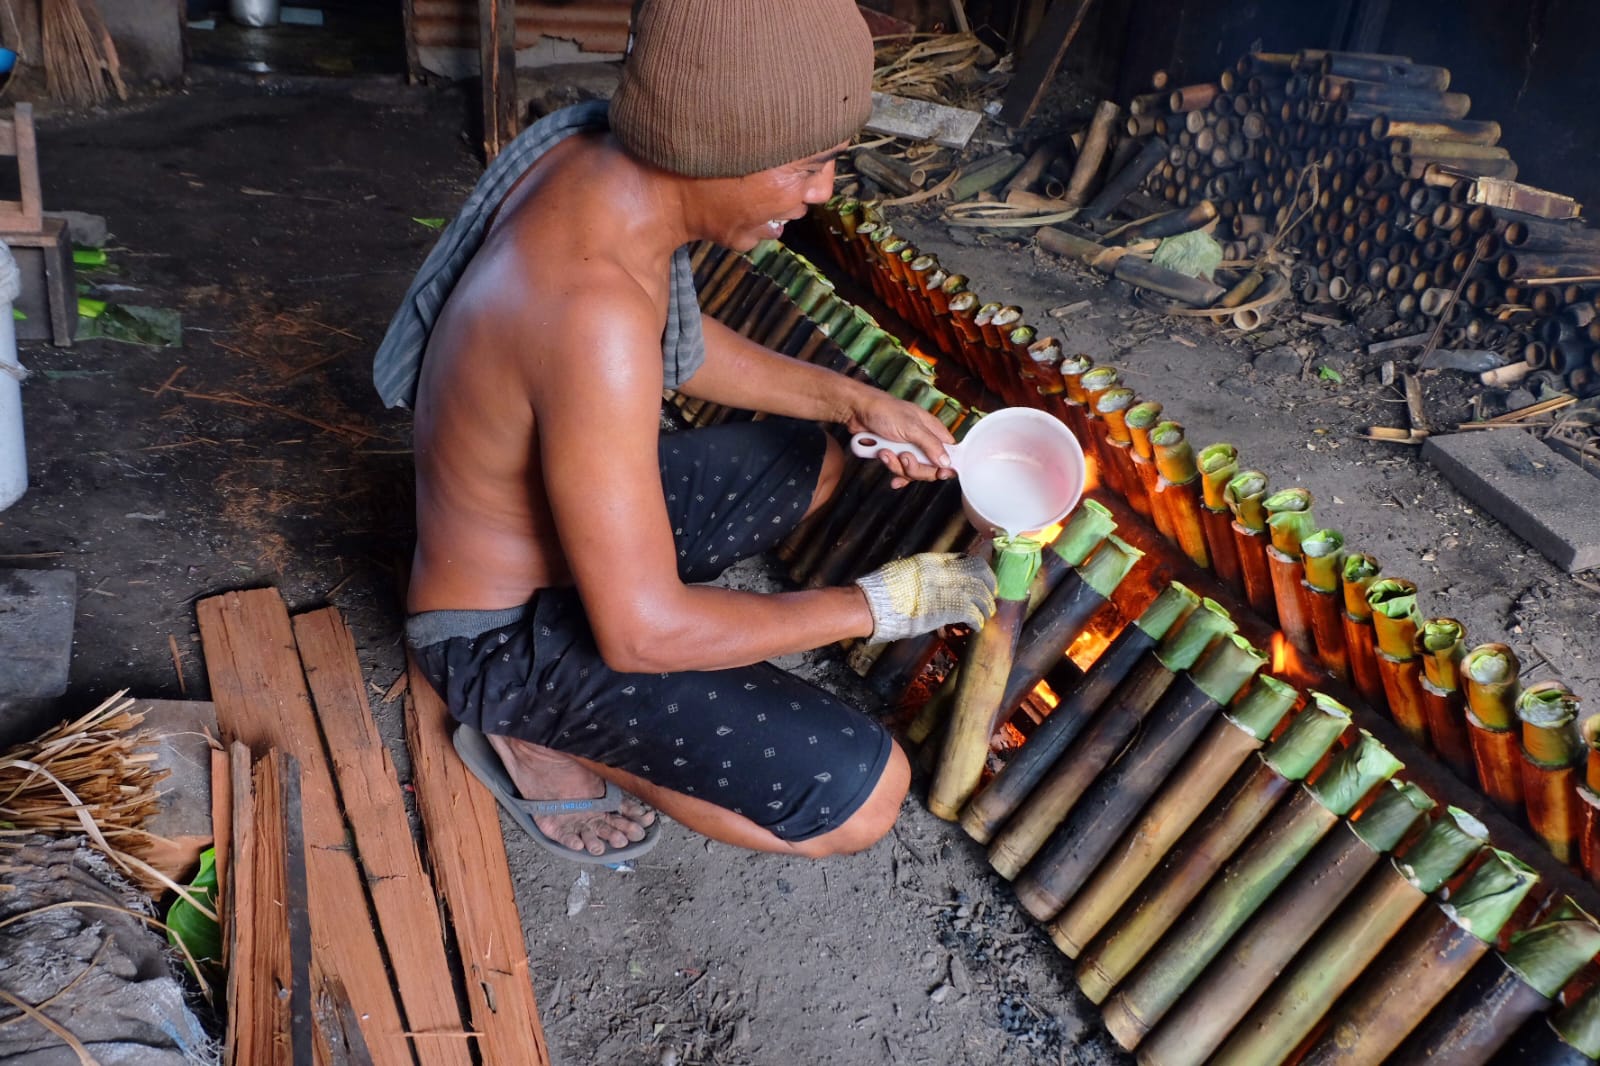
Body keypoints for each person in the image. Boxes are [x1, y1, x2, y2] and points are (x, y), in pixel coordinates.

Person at [374, 0, 996, 864]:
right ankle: (534, 732)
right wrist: (881, 605)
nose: (822, 193)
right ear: (715, 151)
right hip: (494, 635)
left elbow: (676, 344)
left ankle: (588, 700)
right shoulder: (590, 316)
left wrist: (852, 402)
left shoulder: (598, 163)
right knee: (865, 802)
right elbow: (643, 634)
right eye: (809, 166)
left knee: (808, 460)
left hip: (542, 541)